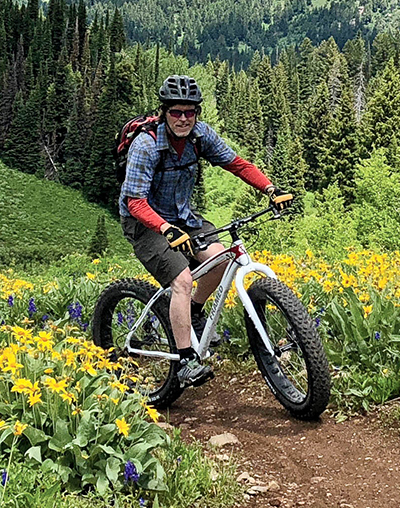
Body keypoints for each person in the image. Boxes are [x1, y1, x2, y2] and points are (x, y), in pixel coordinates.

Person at [119, 74, 286, 388]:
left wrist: (270, 189)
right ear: (164, 112)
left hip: (183, 217)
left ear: (197, 113)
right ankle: (185, 360)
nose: (183, 119)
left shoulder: (199, 136)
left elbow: (237, 164)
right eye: (176, 112)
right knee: (182, 280)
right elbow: (135, 202)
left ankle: (193, 311)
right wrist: (165, 229)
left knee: (222, 262)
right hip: (145, 222)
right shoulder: (146, 145)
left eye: (190, 112)